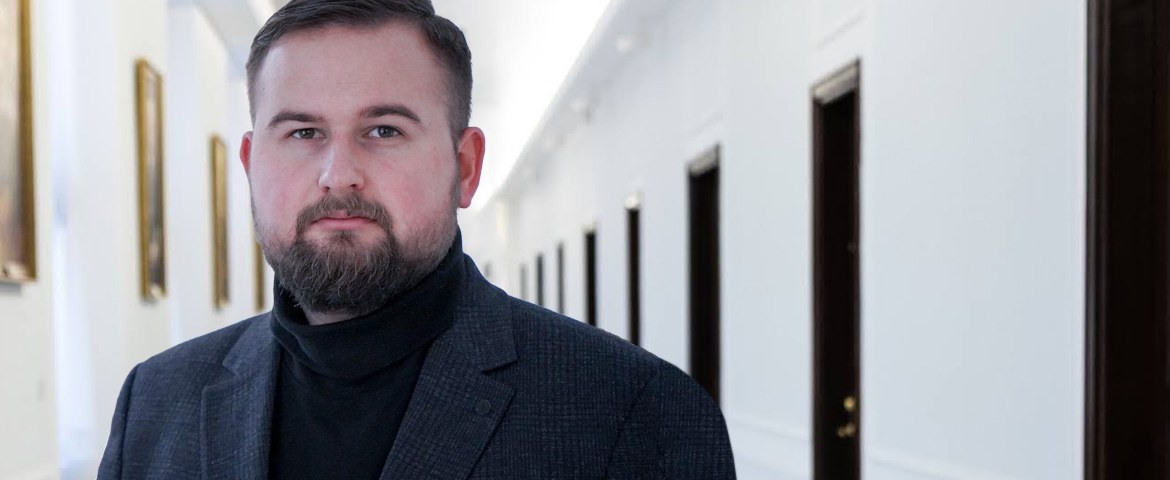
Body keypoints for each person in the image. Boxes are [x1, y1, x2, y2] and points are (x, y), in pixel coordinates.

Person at [97, 0, 735, 478]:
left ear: (465, 167)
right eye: (302, 133)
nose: (337, 174)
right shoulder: (155, 403)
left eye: (383, 131)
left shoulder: (634, 413)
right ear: (250, 165)